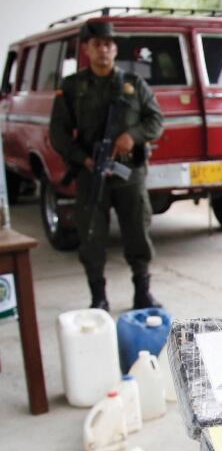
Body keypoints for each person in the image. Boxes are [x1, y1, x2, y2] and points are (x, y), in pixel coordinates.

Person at [50, 19, 164, 311]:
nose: (104, 49)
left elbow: (156, 121)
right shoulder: (73, 87)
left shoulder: (134, 84)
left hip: (129, 172)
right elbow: (58, 134)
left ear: (115, 49)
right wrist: (82, 159)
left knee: (138, 231)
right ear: (87, 49)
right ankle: (98, 296)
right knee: (91, 237)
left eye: (109, 44)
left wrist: (132, 136)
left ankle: (143, 292)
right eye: (98, 44)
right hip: (92, 173)